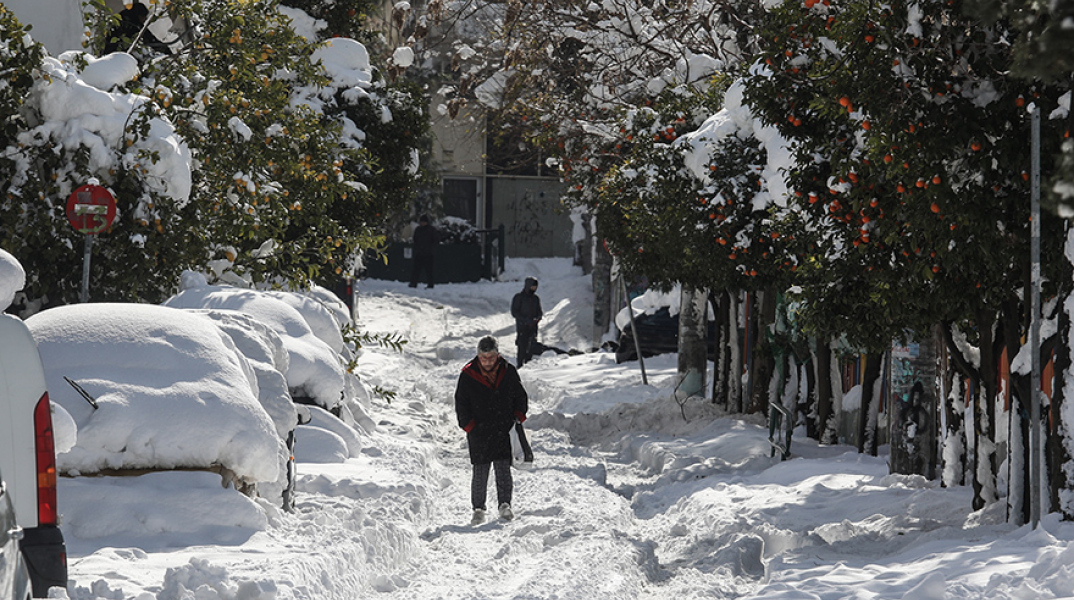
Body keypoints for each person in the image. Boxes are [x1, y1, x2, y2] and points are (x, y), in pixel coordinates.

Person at [454, 336, 528, 525]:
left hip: (503, 429)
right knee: (480, 472)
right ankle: (478, 509)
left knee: (503, 469)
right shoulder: (468, 375)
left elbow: (520, 396)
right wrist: (469, 426)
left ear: (498, 355)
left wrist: (518, 416)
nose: (487, 361)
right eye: (484, 357)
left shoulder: (508, 371)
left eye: (491, 357)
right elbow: (461, 404)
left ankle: (505, 504)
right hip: (478, 431)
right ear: (478, 356)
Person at [510, 277, 543, 366]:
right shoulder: (519, 297)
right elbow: (514, 312)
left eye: (535, 287)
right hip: (522, 327)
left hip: (533, 326)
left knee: (531, 346)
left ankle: (529, 364)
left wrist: (538, 317)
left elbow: (539, 311)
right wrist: (524, 320)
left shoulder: (536, 298)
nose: (534, 289)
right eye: (532, 287)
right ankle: (520, 364)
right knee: (522, 347)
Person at [409, 215, 438, 289]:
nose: (422, 223)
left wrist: (430, 248)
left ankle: (430, 284)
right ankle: (413, 283)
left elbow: (435, 240)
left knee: (429, 271)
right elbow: (415, 239)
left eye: (424, 222)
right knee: (416, 269)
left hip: (428, 253)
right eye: (421, 222)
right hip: (420, 253)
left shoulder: (431, 230)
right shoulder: (418, 229)